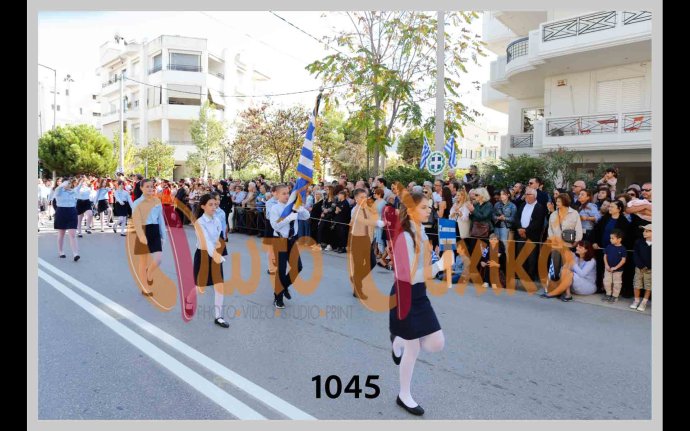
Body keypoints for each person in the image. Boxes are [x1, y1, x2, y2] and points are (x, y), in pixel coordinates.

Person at [388, 191, 452, 416]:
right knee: (413, 347)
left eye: (429, 207)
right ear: (411, 210)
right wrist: (439, 266)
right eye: (424, 207)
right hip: (404, 294)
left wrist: (442, 257)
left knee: (436, 343)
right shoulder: (403, 236)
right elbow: (407, 276)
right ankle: (404, 395)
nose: (429, 211)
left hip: (419, 294)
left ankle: (399, 340)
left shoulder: (421, 230)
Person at [269, 184, 310, 309]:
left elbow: (306, 216)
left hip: (292, 240)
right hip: (280, 240)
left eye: (288, 193)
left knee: (298, 267)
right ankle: (278, 298)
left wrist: (300, 209)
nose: (287, 195)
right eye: (283, 193)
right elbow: (275, 226)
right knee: (281, 270)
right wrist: (289, 218)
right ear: (276, 194)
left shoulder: (293, 206)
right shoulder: (275, 208)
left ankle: (284, 286)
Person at [192, 194, 229, 328]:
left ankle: (218, 317)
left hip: (215, 254)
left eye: (215, 204)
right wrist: (215, 254)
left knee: (219, 285)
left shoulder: (217, 220)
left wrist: (219, 248)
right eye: (210, 205)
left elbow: (218, 238)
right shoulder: (199, 223)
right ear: (203, 206)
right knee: (200, 287)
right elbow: (206, 242)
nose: (214, 207)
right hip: (203, 255)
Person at [541, 193, 583, 298]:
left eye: (559, 201)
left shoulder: (574, 213)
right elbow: (550, 229)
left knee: (566, 269)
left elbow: (578, 229)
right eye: (557, 201)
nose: (556, 203)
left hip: (568, 245)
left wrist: (576, 242)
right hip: (556, 245)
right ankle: (552, 290)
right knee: (554, 268)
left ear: (565, 201)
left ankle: (566, 292)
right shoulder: (553, 214)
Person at [131, 179, 167, 296]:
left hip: (155, 230)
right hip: (143, 230)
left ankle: (149, 273)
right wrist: (141, 236)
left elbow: (160, 219)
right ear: (141, 188)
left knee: (158, 259)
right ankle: (145, 288)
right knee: (143, 262)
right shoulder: (137, 203)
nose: (150, 189)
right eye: (147, 186)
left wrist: (163, 235)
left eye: (152, 186)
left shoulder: (157, 201)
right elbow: (136, 221)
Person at [349, 188, 386, 300]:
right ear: (356, 198)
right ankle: (357, 290)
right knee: (359, 265)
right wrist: (377, 222)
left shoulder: (367, 208)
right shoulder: (355, 210)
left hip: (367, 239)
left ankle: (357, 278)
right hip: (357, 239)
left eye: (365, 197)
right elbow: (363, 221)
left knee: (372, 262)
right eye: (361, 197)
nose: (364, 199)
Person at [513, 187, 547, 280]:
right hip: (520, 234)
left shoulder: (539, 207)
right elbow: (517, 217)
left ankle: (530, 275)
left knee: (531, 256)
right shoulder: (522, 205)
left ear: (534, 196)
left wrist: (526, 231)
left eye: (528, 194)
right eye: (526, 194)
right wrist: (520, 228)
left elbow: (537, 223)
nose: (526, 196)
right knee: (520, 254)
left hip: (532, 235)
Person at [53, 177, 80, 261]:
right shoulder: (58, 191)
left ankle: (75, 254)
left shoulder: (73, 191)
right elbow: (57, 189)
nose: (68, 185)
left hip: (72, 211)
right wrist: (62, 184)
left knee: (72, 234)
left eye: (69, 183)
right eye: (66, 183)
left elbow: (78, 190)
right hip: (61, 211)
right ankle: (61, 251)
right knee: (61, 233)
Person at [630, 224, 652, 312]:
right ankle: (636, 300)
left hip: (651, 270)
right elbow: (636, 255)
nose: (644, 232)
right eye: (644, 231)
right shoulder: (639, 242)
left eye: (647, 231)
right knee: (637, 284)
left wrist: (649, 267)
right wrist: (641, 266)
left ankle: (644, 302)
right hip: (639, 268)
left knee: (648, 286)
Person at [602, 228, 627, 303]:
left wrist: (615, 267)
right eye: (610, 238)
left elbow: (623, 260)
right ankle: (608, 294)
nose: (610, 240)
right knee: (607, 282)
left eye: (612, 238)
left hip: (618, 270)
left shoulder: (623, 249)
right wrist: (606, 265)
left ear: (619, 239)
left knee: (617, 283)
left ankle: (615, 296)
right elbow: (605, 256)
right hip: (608, 269)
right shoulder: (609, 246)